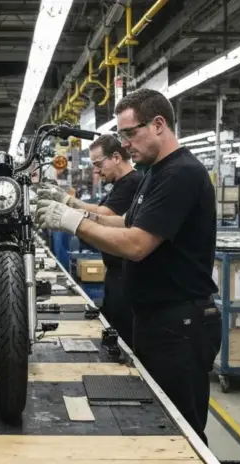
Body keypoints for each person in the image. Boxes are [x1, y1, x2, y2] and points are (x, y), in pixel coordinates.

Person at [33, 88, 220, 444]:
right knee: (158, 422)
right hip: (157, 320)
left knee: (182, 435)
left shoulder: (181, 173)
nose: (126, 144)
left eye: (130, 133)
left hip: (180, 325)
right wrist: (75, 211)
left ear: (159, 124)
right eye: (121, 135)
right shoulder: (155, 172)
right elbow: (125, 223)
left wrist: (74, 222)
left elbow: (136, 245)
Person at [37, 134, 141, 345]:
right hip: (116, 274)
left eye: (98, 164)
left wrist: (67, 203)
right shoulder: (121, 184)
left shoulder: (132, 182)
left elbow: (105, 216)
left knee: (124, 340)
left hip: (126, 276)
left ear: (116, 158)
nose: (95, 170)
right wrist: (67, 202)